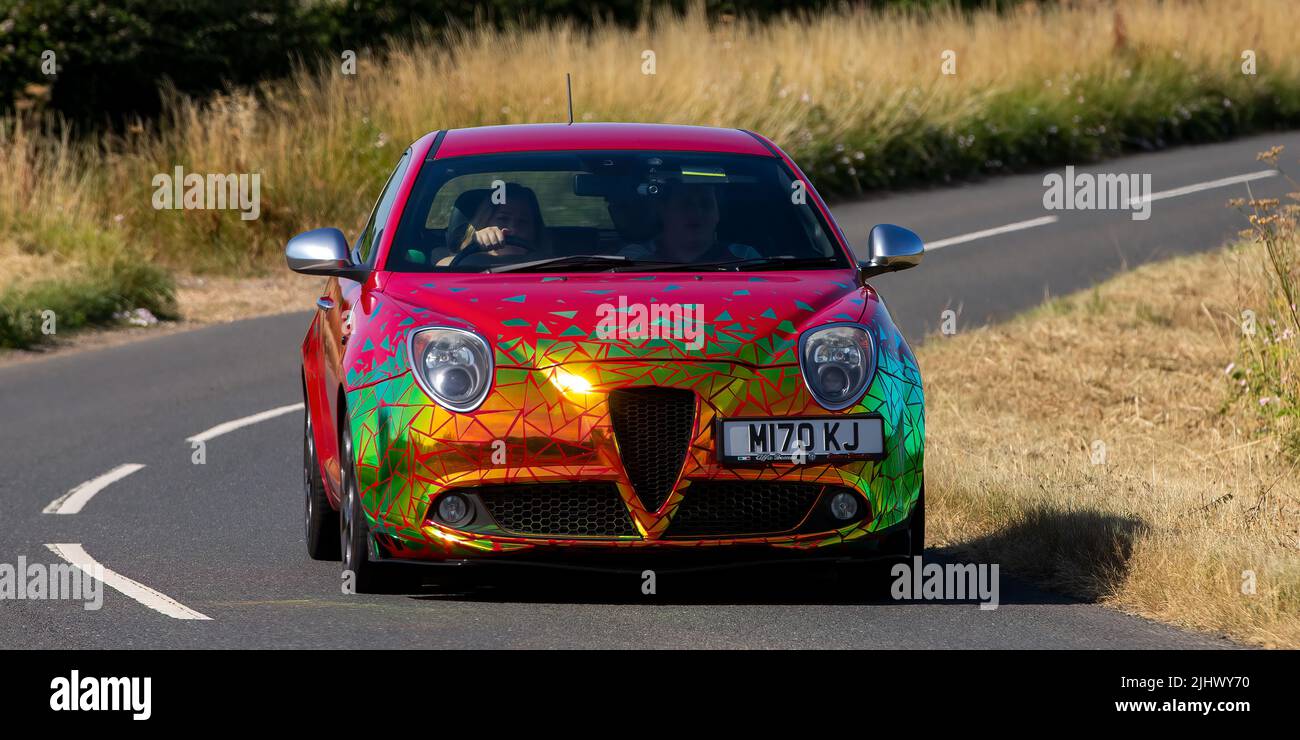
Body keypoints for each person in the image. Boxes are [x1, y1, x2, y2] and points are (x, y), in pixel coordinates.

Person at [618, 181, 759, 263]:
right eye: (685, 204)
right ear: (662, 211)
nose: (697, 213)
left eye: (706, 204)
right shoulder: (632, 258)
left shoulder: (746, 258)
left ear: (717, 214)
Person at [439, 183, 548, 266]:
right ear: (484, 222)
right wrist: (473, 247)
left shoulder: (550, 265)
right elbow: (442, 266)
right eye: (503, 219)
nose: (513, 229)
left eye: (523, 222)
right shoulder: (462, 262)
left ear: (534, 230)